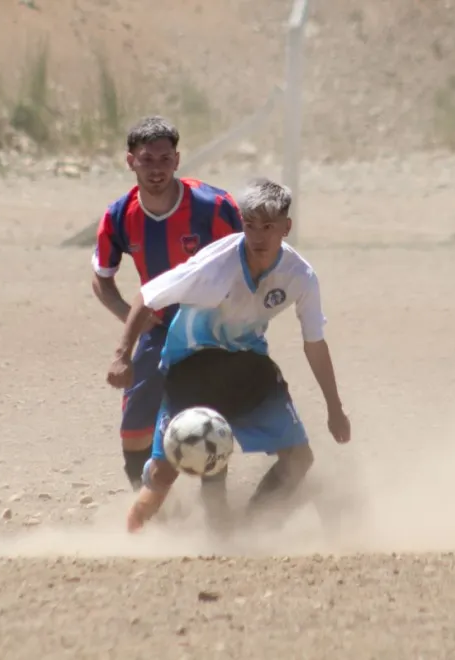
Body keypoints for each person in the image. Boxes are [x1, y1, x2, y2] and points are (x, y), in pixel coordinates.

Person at [105, 177, 351, 533]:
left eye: (268, 227)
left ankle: (251, 531)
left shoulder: (300, 275)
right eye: (250, 225)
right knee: (162, 474)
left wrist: (335, 408)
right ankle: (126, 542)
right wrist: (122, 354)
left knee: (299, 459)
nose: (258, 236)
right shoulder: (215, 265)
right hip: (192, 367)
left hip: (248, 366)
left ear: (286, 227)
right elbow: (148, 295)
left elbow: (314, 342)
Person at [91, 115, 243, 493]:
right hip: (158, 330)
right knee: (134, 432)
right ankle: (156, 511)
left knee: (206, 423)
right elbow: (101, 278)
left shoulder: (214, 206)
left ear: (177, 159)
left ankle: (217, 511)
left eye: (164, 159)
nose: (156, 169)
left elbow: (248, 261)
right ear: (131, 161)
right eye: (147, 160)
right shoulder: (118, 216)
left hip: (210, 329)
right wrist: (130, 317)